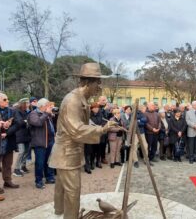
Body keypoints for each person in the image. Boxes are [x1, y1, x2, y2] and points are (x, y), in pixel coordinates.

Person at [48, 63, 117, 219]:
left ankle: (61, 214)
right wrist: (102, 129)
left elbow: (85, 124)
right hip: (66, 154)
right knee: (72, 192)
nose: (99, 86)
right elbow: (77, 129)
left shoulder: (82, 99)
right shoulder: (72, 100)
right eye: (98, 82)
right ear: (89, 82)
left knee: (62, 188)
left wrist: (104, 126)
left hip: (70, 153)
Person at [28, 98, 56, 189]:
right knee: (40, 162)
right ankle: (39, 181)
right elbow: (38, 123)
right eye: (47, 106)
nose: (49, 107)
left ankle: (49, 177)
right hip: (40, 142)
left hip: (50, 141)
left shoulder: (46, 114)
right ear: (42, 106)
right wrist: (46, 114)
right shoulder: (33, 114)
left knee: (49, 161)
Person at [0, 93, 19, 193]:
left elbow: (18, 124)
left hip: (9, 140)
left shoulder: (12, 111)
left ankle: (7, 181)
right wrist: (1, 132)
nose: (7, 101)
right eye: (5, 99)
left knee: (8, 163)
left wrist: (7, 133)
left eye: (7, 99)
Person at [11, 98, 31, 177]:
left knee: (26, 152)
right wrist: (26, 121)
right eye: (27, 103)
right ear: (23, 104)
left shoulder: (27, 111)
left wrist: (26, 121)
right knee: (21, 152)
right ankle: (16, 169)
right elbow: (19, 122)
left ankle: (22, 166)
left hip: (27, 134)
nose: (28, 105)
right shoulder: (17, 111)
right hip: (19, 134)